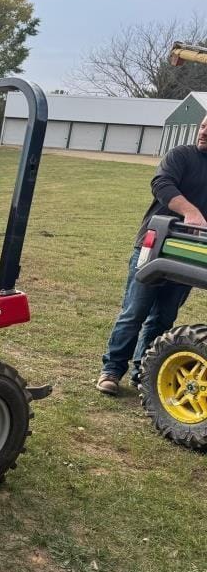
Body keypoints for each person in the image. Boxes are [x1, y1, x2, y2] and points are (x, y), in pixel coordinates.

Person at [97, 115, 207, 395]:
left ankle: (144, 373)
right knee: (135, 311)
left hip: (191, 253)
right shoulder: (181, 155)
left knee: (164, 317)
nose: (204, 132)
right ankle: (111, 370)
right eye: (204, 125)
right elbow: (162, 184)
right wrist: (191, 212)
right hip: (154, 244)